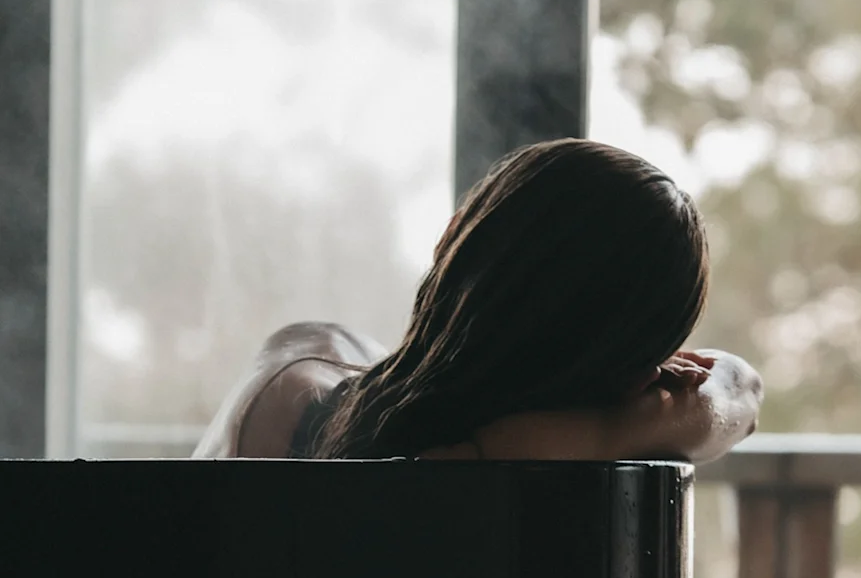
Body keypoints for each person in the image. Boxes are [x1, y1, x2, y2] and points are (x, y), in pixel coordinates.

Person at [193, 138, 762, 463]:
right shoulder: (554, 460)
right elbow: (740, 388)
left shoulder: (295, 374)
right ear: (637, 379)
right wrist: (605, 433)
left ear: (452, 234)